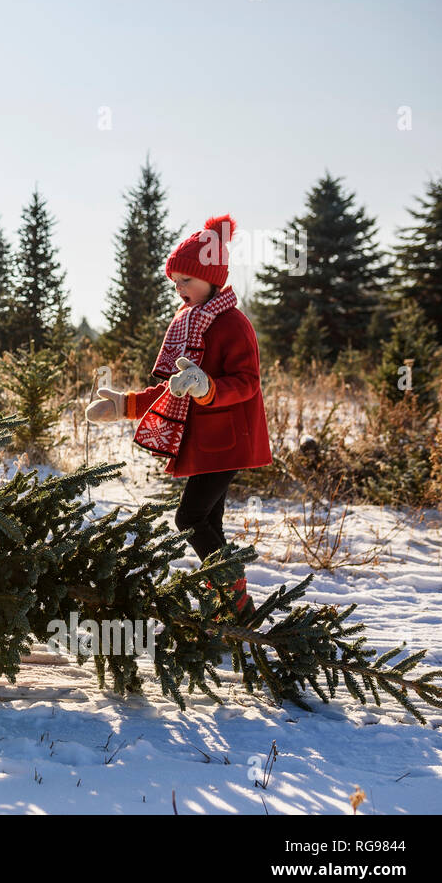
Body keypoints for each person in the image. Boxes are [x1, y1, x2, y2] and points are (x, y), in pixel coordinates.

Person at [85, 215, 272, 614]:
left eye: (186, 280)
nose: (179, 289)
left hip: (230, 442)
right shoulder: (187, 323)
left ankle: (235, 598)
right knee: (210, 522)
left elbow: (248, 382)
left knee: (189, 518)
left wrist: (208, 388)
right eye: (175, 282)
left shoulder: (233, 325)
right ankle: (222, 598)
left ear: (212, 278)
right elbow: (171, 387)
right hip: (205, 443)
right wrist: (125, 405)